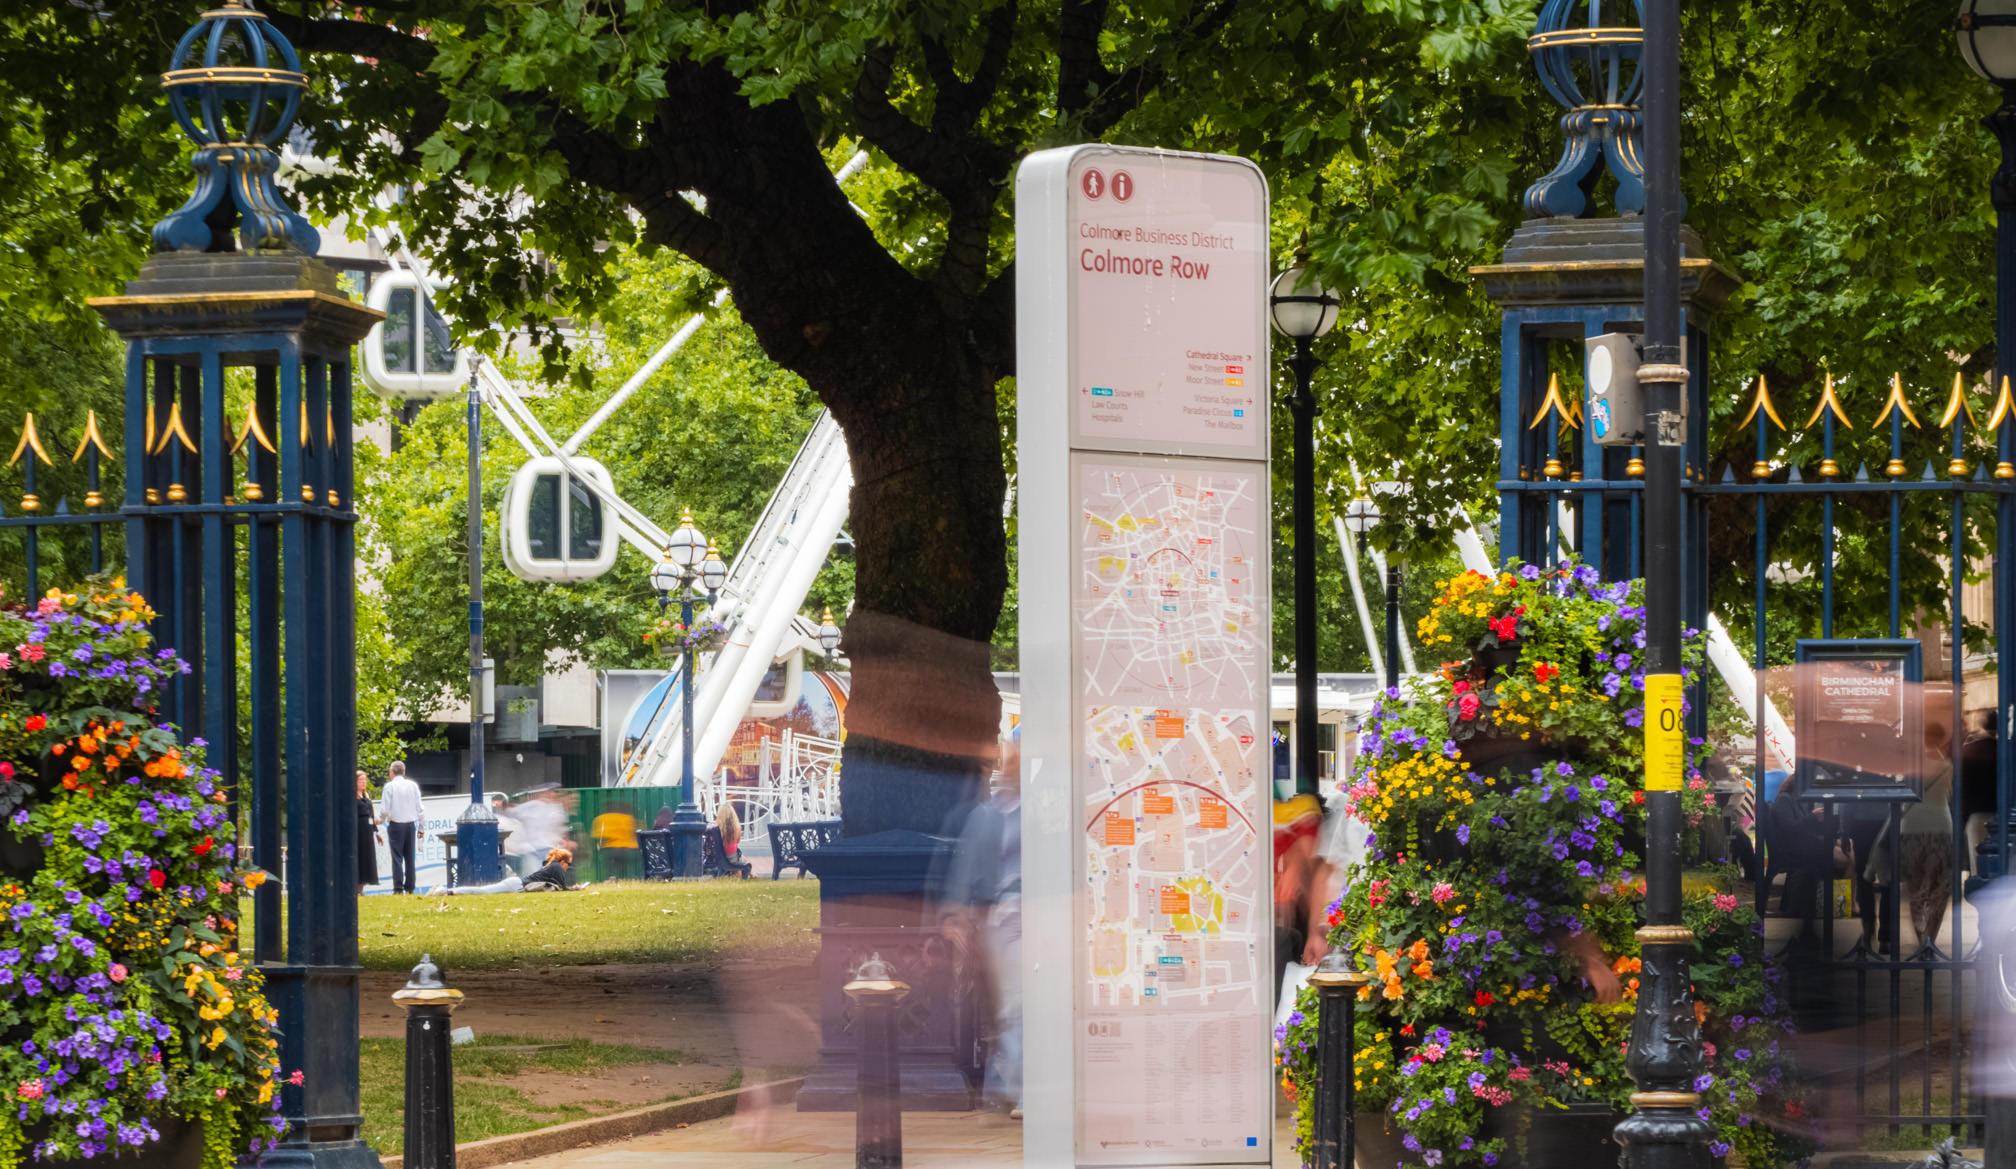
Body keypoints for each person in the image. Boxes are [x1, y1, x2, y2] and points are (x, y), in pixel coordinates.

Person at [940, 732, 1022, 1118]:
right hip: (1004, 919)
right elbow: (968, 867)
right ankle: (1014, 1088)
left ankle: (1004, 1087)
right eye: (1011, 758)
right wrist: (954, 915)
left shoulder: (1040, 810)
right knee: (1013, 1004)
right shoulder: (988, 815)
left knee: (1019, 1004)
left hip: (1037, 917)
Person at [1865, 721, 1958, 956]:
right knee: (1939, 889)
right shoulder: (1948, 766)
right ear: (1941, 739)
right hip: (1941, 827)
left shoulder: (1910, 765)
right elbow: (1950, 796)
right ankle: (1930, 939)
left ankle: (1920, 940)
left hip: (1911, 828)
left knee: (1916, 889)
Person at [378, 761, 423, 895]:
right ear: (404, 771)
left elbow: (385, 810)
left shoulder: (389, 786)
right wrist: (421, 827)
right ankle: (410, 887)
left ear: (391, 772)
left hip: (396, 824)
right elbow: (420, 809)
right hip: (410, 825)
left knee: (397, 857)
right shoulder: (413, 785)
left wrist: (381, 820)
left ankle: (398, 888)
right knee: (410, 857)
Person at [591, 804, 640, 881]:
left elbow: (599, 838)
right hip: (629, 850)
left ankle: (612, 878)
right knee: (628, 870)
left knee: (611, 870)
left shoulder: (601, 818)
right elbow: (635, 833)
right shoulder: (628, 818)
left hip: (610, 850)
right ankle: (630, 878)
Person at [355, 771, 382, 895]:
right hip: (358, 832)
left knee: (367, 859)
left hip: (368, 832)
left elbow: (371, 816)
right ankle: (356, 888)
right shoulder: (353, 798)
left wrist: (376, 832)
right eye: (360, 780)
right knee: (359, 858)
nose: (363, 783)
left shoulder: (366, 797)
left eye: (365, 780)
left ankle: (361, 889)